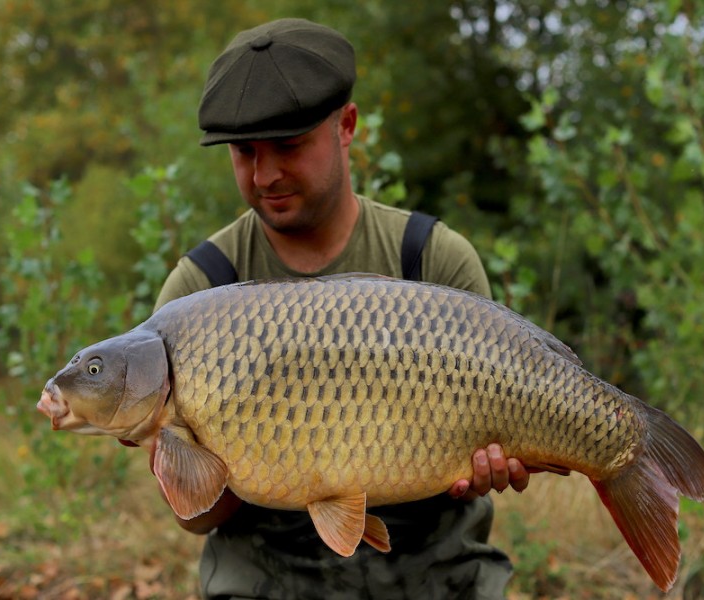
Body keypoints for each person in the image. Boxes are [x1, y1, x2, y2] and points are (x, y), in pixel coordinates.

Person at [153, 18, 532, 599]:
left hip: (433, 577)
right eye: (244, 152)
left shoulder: (432, 258)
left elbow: (486, 466)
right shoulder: (199, 291)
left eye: (288, 146)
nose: (265, 175)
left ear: (346, 125)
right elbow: (194, 518)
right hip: (266, 583)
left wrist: (495, 464)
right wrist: (206, 450)